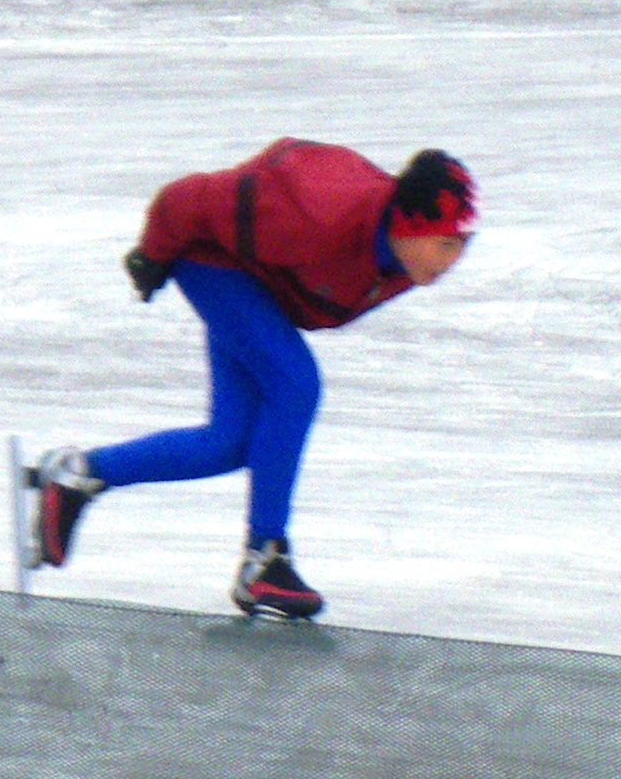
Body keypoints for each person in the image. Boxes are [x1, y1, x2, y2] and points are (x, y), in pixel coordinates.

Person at [28, 141, 477, 621]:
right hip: (211, 256)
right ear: (407, 226)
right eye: (446, 243)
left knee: (231, 442)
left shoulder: (405, 259)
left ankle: (78, 475)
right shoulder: (320, 209)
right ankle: (265, 557)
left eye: (462, 245)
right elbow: (189, 198)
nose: (452, 260)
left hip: (261, 281)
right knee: (295, 384)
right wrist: (152, 252)